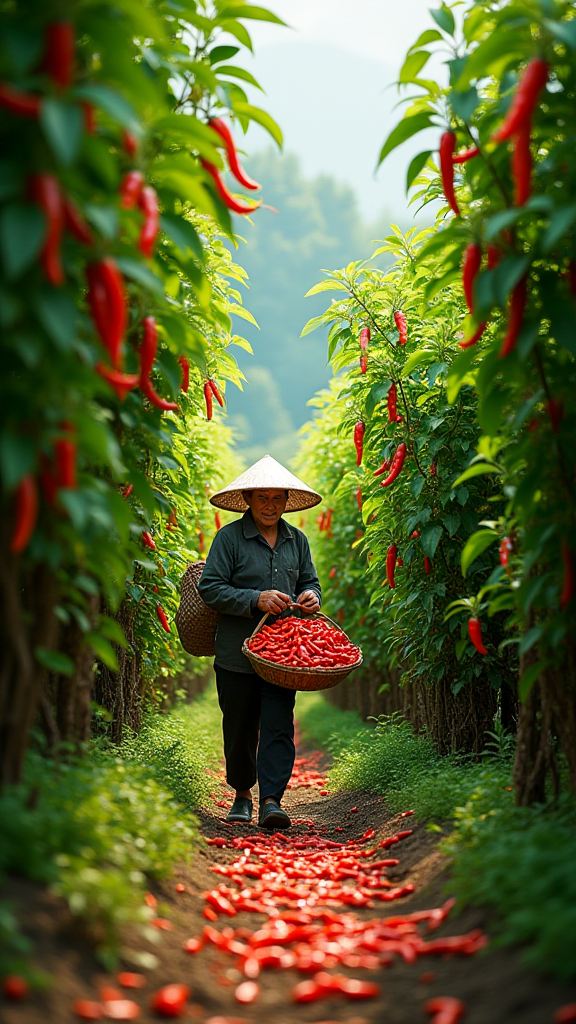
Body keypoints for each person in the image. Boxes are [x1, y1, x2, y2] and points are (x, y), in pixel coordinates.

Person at [198, 455, 322, 830]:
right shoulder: (229, 539)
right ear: (249, 500)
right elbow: (210, 588)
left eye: (277, 498)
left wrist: (312, 597)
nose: (270, 506)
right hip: (236, 654)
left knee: (278, 724)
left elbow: (309, 583)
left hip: (283, 653)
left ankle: (272, 800)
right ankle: (241, 793)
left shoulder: (296, 541)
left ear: (287, 501)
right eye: (262, 498)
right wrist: (256, 598)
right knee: (239, 726)